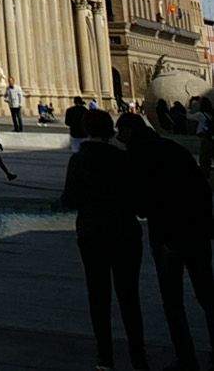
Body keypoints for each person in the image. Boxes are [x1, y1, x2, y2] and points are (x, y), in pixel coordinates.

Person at [119, 111, 214, 371]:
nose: (118, 137)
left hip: (167, 237)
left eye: (121, 132)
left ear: (129, 133)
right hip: (198, 232)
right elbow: (202, 187)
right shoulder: (173, 148)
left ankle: (186, 359)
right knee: (207, 294)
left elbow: (141, 205)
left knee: (173, 303)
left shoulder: (137, 158)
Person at [61, 110, 149, 371]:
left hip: (92, 234)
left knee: (98, 296)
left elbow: (69, 200)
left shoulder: (79, 160)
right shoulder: (124, 159)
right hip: (125, 232)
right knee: (129, 297)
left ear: (87, 130)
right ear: (111, 130)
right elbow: (140, 201)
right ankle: (138, 355)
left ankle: (105, 358)